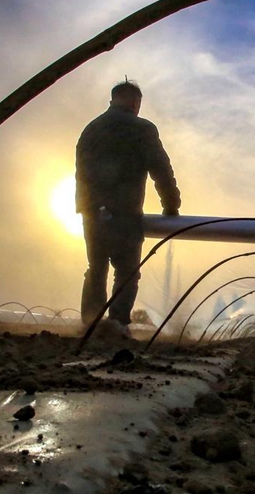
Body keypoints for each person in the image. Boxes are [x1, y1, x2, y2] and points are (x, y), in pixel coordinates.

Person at [75, 80, 181, 332]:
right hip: (125, 212)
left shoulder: (90, 130)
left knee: (96, 268)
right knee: (126, 271)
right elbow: (161, 169)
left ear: (113, 100)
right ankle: (117, 324)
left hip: (91, 212)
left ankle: (90, 326)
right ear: (135, 103)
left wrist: (88, 207)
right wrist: (171, 205)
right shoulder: (142, 129)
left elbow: (81, 173)